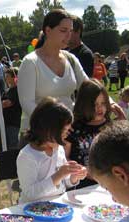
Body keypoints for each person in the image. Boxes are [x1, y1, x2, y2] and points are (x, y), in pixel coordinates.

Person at [17, 9, 88, 142]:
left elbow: (88, 87)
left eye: (71, 31)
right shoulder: (30, 62)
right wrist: (53, 126)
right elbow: (26, 103)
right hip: (38, 138)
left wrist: (110, 103)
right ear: (48, 30)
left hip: (66, 135)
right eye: (63, 30)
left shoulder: (71, 59)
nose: (69, 36)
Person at [17, 97, 87, 203]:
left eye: (67, 130)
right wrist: (59, 175)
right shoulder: (27, 156)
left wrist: (74, 176)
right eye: (64, 130)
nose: (66, 134)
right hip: (31, 209)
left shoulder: (59, 149)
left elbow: (64, 184)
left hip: (57, 205)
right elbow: (30, 193)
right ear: (48, 130)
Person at [65, 79, 125, 188]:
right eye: (94, 104)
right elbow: (64, 157)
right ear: (84, 104)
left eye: (103, 103)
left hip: (108, 186)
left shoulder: (112, 126)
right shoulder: (73, 128)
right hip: (81, 187)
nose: (99, 108)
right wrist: (81, 171)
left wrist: (123, 124)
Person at [1, 67, 22, 149]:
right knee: (7, 146)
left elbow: (7, 103)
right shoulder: (7, 90)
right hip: (6, 122)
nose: (5, 78)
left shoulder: (17, 90)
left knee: (13, 145)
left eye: (7, 77)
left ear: (14, 77)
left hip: (13, 123)